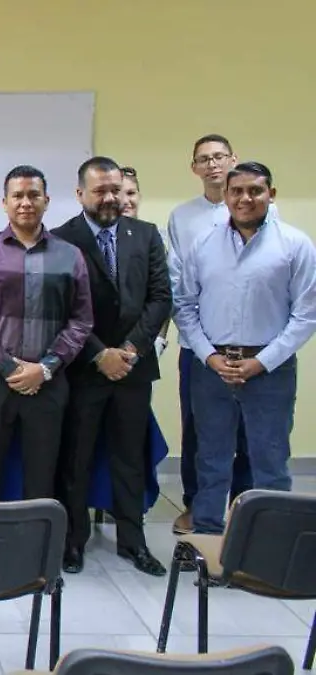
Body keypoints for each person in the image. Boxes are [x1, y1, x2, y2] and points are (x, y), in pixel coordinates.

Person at [174, 161, 316, 535]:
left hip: (269, 369)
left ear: (271, 194)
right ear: (227, 196)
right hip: (212, 368)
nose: (245, 198)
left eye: (255, 190)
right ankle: (205, 539)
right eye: (237, 191)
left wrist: (262, 362)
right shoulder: (204, 243)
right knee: (211, 459)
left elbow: (306, 315)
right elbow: (184, 306)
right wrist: (210, 356)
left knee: (269, 459)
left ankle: (268, 544)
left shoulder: (295, 245)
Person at [51, 157, 170, 577]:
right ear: (81, 194)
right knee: (76, 458)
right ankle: (73, 542)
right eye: (100, 190)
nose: (109, 198)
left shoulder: (147, 234)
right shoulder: (61, 239)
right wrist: (100, 353)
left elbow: (160, 298)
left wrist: (131, 349)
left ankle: (132, 542)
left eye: (116, 190)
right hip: (84, 367)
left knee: (129, 458)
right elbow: (60, 307)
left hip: (134, 369)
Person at [0, 165, 93, 502]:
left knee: (43, 473)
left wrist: (44, 367)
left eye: (34, 195)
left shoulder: (69, 255)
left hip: (48, 382)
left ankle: (37, 550)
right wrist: (8, 367)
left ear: (46, 200)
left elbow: (81, 320)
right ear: (5, 203)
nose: (26, 202)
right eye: (17, 196)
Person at [165, 135, 271, 534]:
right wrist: (205, 348)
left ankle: (244, 506)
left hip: (254, 348)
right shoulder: (183, 217)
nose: (212, 165)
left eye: (219, 157)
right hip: (200, 346)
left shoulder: (261, 213)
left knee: (251, 431)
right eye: (203, 159)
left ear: (234, 160)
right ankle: (198, 505)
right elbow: (179, 287)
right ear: (194, 168)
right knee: (200, 430)